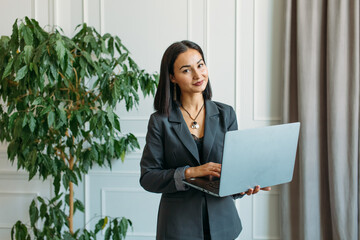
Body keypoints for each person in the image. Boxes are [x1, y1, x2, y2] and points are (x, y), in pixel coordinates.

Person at [140, 40, 271, 240]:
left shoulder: (226, 114)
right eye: (186, 70)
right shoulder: (160, 121)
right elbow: (148, 177)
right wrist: (190, 172)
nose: (198, 74)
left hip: (224, 225)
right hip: (178, 228)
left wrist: (245, 185)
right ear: (172, 77)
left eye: (200, 65)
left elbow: (231, 174)